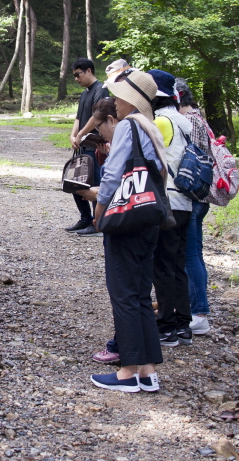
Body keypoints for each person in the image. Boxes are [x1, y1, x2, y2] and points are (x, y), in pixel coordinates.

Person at [90, 69, 167, 393]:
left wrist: (99, 210)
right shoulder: (150, 127)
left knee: (123, 294)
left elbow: (112, 174)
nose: (116, 102)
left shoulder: (127, 126)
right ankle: (148, 372)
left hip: (126, 218)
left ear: (130, 100)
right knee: (140, 294)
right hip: (150, 217)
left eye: (119, 96)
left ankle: (127, 373)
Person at [150, 70, 194, 347]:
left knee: (162, 266)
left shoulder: (161, 122)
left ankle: (166, 325)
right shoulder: (183, 120)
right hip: (185, 201)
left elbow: (155, 161)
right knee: (177, 264)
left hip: (168, 201)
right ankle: (183, 324)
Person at [175, 77, 216, 336]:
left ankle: (199, 313)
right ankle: (196, 308)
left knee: (190, 256)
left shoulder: (187, 121)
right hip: (200, 195)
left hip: (191, 197)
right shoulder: (199, 118)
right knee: (194, 254)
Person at [65, 59, 110, 235]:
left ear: (89, 71)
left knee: (94, 183)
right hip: (82, 146)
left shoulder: (101, 90)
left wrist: (81, 134)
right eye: (74, 76)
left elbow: (97, 117)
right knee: (75, 181)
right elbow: (79, 117)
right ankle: (85, 218)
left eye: (78, 74)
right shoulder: (84, 94)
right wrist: (73, 135)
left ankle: (97, 223)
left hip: (94, 145)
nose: (76, 79)